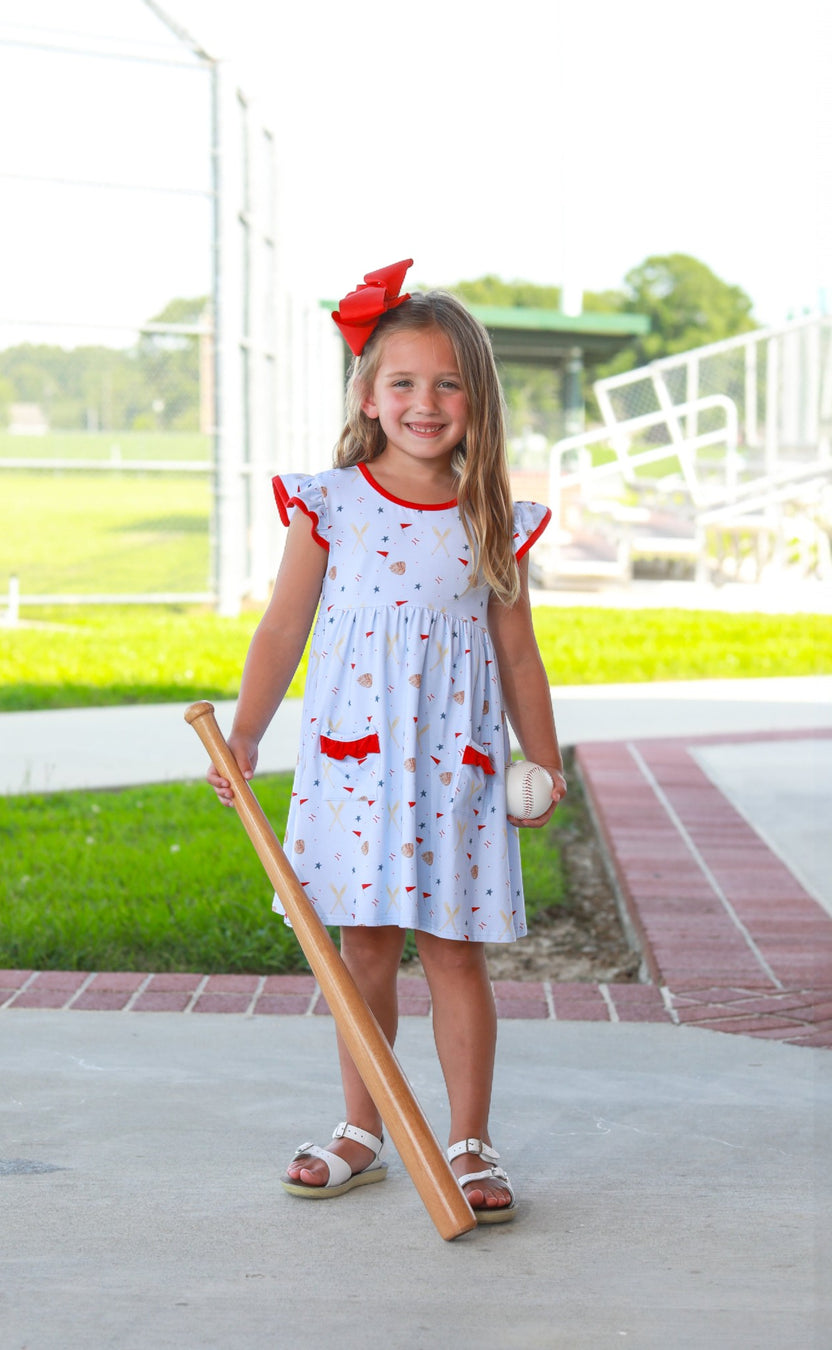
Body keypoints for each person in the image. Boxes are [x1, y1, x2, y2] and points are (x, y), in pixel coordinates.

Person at [207, 258, 566, 1222]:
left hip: (457, 774)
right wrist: (245, 734)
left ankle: (469, 1141)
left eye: (448, 384)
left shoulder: (493, 517)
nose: (425, 403)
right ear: (368, 395)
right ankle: (363, 1130)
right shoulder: (330, 503)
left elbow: (519, 655)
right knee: (362, 951)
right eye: (403, 382)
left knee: (455, 952)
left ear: (477, 401)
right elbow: (282, 628)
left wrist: (542, 757)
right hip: (355, 769)